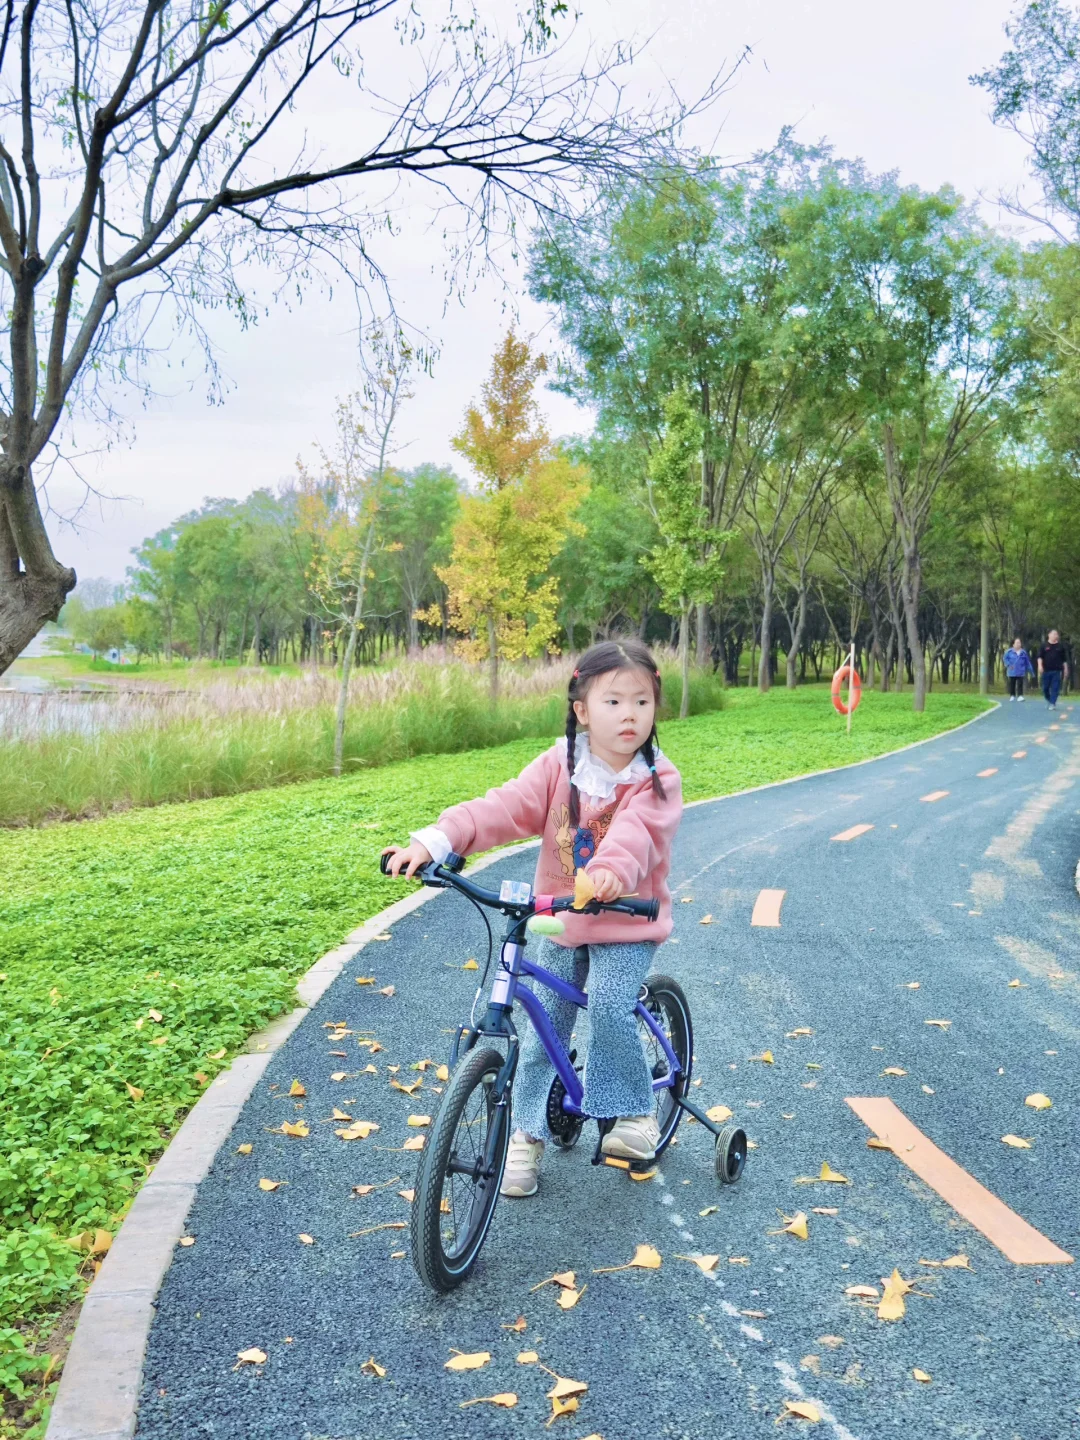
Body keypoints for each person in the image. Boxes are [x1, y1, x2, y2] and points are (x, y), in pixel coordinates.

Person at [382, 638, 683, 1200]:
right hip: (560, 918)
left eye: (642, 702)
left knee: (612, 1006)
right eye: (613, 702)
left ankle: (635, 1114)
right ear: (581, 709)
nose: (629, 715)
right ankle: (525, 1133)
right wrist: (438, 839)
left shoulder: (655, 779)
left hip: (625, 921)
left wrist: (610, 874)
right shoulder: (559, 765)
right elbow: (505, 806)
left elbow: (637, 835)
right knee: (543, 1020)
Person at [1037, 629, 1069, 710]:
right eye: (1054, 634)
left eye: (1057, 634)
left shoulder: (1060, 646)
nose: (1056, 636)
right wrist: (1040, 666)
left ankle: (1052, 703)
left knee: (1055, 688)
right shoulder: (1044, 645)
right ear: (1049, 635)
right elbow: (1040, 657)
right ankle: (1050, 700)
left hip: (1057, 671)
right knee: (1045, 688)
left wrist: (1065, 669)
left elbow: (1064, 660)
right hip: (1046, 670)